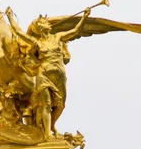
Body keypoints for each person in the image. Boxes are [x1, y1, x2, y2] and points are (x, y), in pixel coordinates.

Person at [5, 7, 91, 139]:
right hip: (44, 74)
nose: (47, 23)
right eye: (44, 22)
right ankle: (47, 135)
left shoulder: (58, 37)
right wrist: (10, 17)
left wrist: (85, 17)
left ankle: (51, 125)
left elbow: (75, 31)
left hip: (59, 75)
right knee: (47, 104)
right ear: (39, 28)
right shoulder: (37, 42)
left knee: (61, 105)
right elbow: (18, 31)